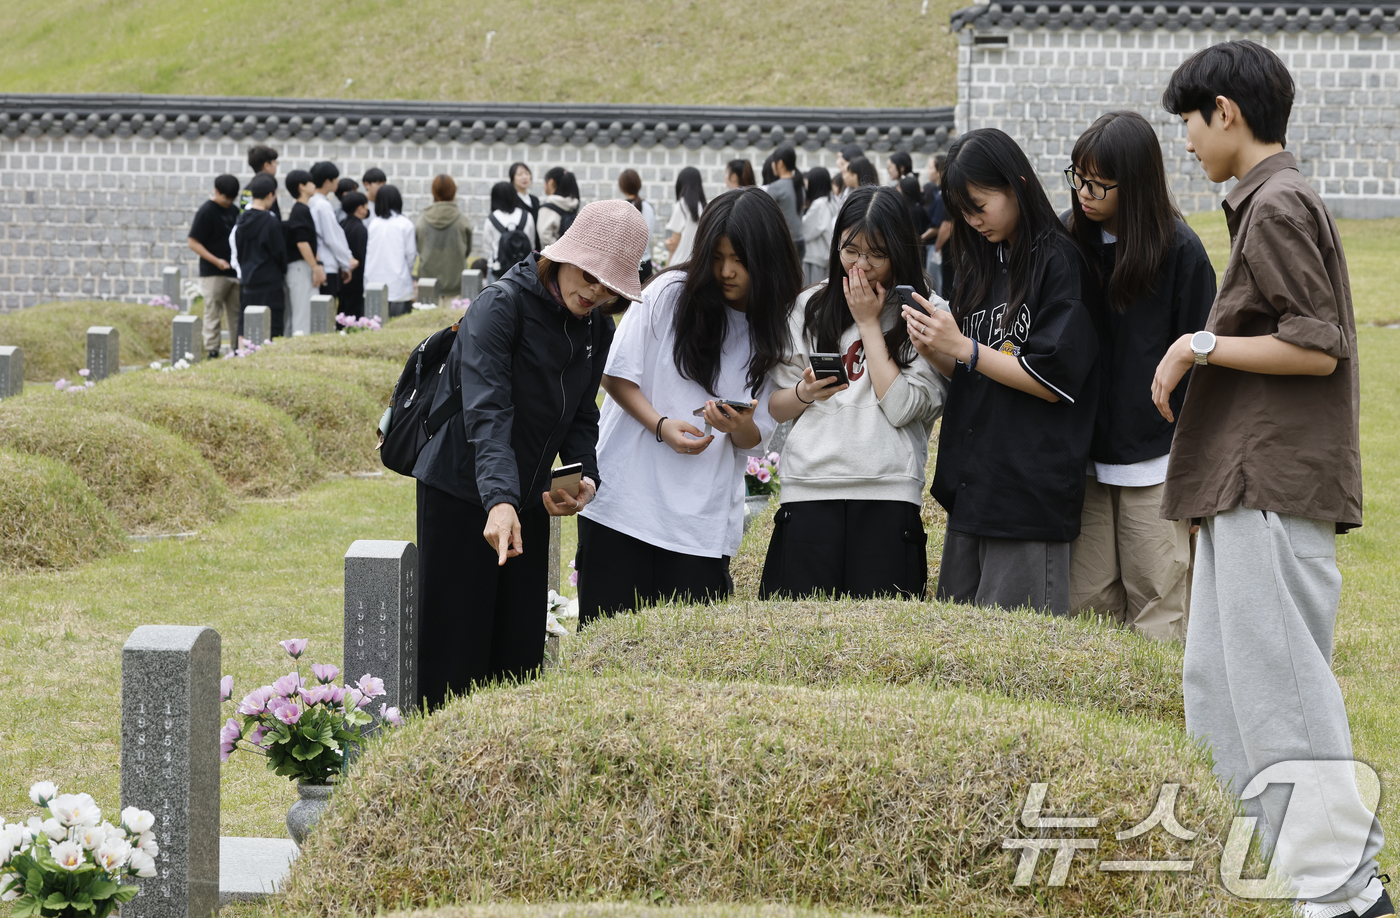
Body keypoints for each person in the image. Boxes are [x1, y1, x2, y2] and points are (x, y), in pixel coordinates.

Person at [1157, 40, 1389, 918]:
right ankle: (1298, 877)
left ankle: (1343, 887)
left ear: (1226, 112)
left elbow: (1317, 342)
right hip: (1242, 483)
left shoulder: (1280, 202)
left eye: (1188, 119)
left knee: (1280, 686)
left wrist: (1197, 344)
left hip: (1271, 484)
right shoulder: (1262, 203)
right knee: (1220, 688)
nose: (1184, 141)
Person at [412, 200, 649, 707]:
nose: (594, 292)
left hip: (528, 498)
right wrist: (498, 500)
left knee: (518, 654)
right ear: (561, 256)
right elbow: (487, 412)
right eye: (587, 274)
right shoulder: (501, 306)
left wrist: (584, 475)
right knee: (456, 651)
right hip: (462, 490)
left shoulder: (595, 327)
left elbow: (584, 413)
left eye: (610, 287)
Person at [576, 188, 797, 625]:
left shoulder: (774, 329)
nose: (726, 271)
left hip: (699, 526)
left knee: (684, 669)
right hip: (623, 508)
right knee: (605, 659)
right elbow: (616, 375)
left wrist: (736, 425)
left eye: (740, 260)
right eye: (716, 256)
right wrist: (660, 426)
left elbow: (754, 441)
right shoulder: (668, 294)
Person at [901, 128, 1099, 615]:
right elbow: (974, 367)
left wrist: (963, 347)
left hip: (1028, 496)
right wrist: (934, 347)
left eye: (979, 206)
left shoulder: (1061, 262)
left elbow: (1053, 381)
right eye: (962, 211)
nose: (972, 221)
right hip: (974, 486)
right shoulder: (982, 261)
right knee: (959, 660)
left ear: (1018, 184)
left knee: (1017, 663)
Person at [1063, 110, 1216, 643]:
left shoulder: (1180, 252)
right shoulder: (1069, 243)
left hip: (1157, 465)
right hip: (1083, 462)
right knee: (1086, 606)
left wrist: (1198, 480)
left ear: (1136, 182)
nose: (1084, 192)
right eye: (1077, 177)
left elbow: (1205, 372)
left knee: (1160, 608)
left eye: (1098, 183)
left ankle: (1155, 722)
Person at [761, 186, 947, 601]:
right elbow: (775, 407)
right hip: (809, 491)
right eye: (850, 250)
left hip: (888, 492)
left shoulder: (930, 313)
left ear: (900, 251)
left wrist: (867, 323)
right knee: (795, 643)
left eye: (876, 254)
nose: (861, 266)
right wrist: (806, 392)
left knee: (883, 649)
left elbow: (901, 408)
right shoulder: (808, 306)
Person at [186, 174, 241, 359]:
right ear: (216, 191)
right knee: (212, 312)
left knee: (235, 314)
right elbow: (193, 242)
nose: (228, 202)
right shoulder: (206, 211)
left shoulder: (234, 210)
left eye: (231, 199)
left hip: (234, 272)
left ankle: (237, 349)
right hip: (213, 273)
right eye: (225, 198)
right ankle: (212, 350)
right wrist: (216, 260)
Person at [229, 174, 287, 340]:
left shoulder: (241, 220)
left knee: (245, 323)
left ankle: (241, 356)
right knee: (272, 326)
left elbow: (237, 249)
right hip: (269, 281)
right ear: (271, 195)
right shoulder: (270, 221)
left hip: (248, 280)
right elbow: (279, 253)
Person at [308, 161, 357, 325]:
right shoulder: (322, 205)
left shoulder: (311, 202)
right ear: (327, 181)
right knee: (326, 314)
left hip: (318, 263)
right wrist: (346, 263)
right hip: (327, 265)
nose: (338, 182)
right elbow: (333, 238)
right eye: (335, 179)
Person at [416, 174, 473, 301]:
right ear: (453, 192)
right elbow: (467, 251)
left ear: (433, 192)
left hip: (427, 284)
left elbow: (418, 248)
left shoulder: (422, 220)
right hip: (456, 284)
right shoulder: (462, 221)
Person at [365, 184, 417, 317]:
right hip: (399, 282)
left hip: (373, 281)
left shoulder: (373, 224)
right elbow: (411, 255)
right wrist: (406, 271)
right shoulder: (405, 224)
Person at [282, 170, 321, 333]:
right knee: (302, 313)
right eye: (311, 182)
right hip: (300, 267)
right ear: (302, 187)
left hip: (301, 266)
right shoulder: (300, 210)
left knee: (301, 312)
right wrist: (315, 267)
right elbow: (302, 242)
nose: (314, 186)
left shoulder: (302, 209)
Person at [483, 181, 536, 283]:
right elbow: (531, 244)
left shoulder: (491, 219)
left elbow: (487, 248)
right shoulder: (526, 216)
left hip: (498, 271)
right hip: (523, 271)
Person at [763, 144, 805, 259]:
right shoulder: (799, 184)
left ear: (780, 163)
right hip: (800, 241)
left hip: (784, 243)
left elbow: (765, 215)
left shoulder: (776, 187)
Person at [618, 168, 658, 282]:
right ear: (639, 185)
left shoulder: (621, 207)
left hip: (625, 266)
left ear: (621, 187)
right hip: (645, 264)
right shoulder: (649, 207)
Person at [801, 167, 839, 286]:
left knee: (811, 289)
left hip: (814, 256)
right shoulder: (834, 200)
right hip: (826, 254)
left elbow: (805, 229)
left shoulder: (819, 204)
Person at [925, 154, 955, 297]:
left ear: (939, 172)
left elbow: (947, 224)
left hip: (948, 249)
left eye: (931, 167)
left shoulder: (946, 193)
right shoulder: (939, 192)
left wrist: (937, 246)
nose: (928, 171)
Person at [664, 166, 706, 267]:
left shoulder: (681, 206)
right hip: (697, 265)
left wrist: (666, 267)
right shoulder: (703, 207)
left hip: (679, 264)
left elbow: (674, 243)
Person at [338, 191, 369, 318]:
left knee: (342, 309)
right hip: (356, 278)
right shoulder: (360, 228)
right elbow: (362, 256)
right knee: (353, 313)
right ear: (360, 208)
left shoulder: (342, 224)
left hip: (343, 275)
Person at [537, 167, 581, 248]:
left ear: (551, 182)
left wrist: (561, 251)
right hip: (572, 255)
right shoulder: (573, 205)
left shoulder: (547, 208)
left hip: (554, 257)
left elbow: (544, 237)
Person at [897, 175, 932, 264]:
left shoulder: (914, 210)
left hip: (916, 252)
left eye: (899, 187)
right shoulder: (914, 207)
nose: (897, 189)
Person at [238, 145, 280, 217]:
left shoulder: (247, 188)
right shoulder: (267, 189)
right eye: (275, 162)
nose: (276, 165)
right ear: (267, 166)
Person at [509, 161, 540, 247]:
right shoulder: (512, 200)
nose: (524, 177)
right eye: (519, 174)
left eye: (527, 173)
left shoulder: (534, 200)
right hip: (520, 244)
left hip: (536, 243)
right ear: (513, 178)